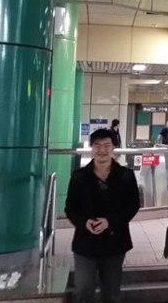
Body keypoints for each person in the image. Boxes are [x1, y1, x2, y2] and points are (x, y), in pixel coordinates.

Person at [65, 128, 140, 303]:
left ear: (113, 148)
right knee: (83, 290)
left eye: (107, 145)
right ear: (91, 148)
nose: (102, 150)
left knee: (112, 293)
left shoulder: (126, 175)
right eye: (97, 145)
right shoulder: (79, 176)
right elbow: (70, 208)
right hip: (85, 243)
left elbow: (132, 206)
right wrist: (85, 223)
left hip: (115, 243)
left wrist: (110, 222)